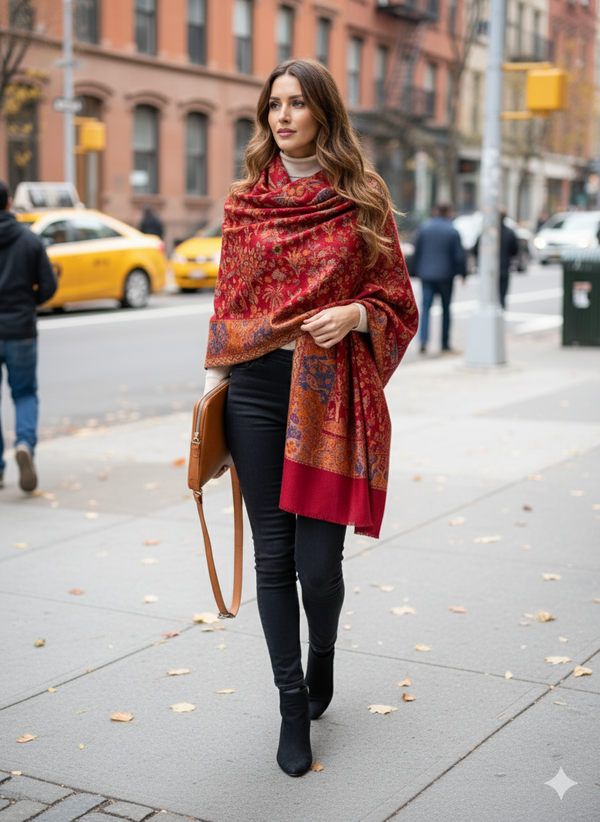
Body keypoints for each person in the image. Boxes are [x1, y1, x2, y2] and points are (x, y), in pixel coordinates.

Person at [202, 59, 418, 777]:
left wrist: (358, 313)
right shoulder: (246, 204)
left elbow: (397, 299)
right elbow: (229, 304)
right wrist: (210, 397)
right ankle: (292, 704)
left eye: (297, 104)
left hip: (326, 394)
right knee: (273, 555)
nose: (283, 116)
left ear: (324, 111)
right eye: (274, 105)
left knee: (319, 568)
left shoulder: (361, 198)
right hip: (257, 392)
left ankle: (322, 652)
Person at [0, 181, 57, 491]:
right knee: (24, 394)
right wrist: (27, 303)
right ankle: (24, 444)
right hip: (20, 329)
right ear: (9, 203)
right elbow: (48, 287)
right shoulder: (30, 240)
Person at [412, 202, 466, 354]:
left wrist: (416, 272)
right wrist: (463, 274)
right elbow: (459, 256)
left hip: (427, 275)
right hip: (445, 276)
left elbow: (417, 252)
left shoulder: (424, 228)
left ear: (435, 211)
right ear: (448, 212)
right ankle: (444, 343)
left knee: (425, 309)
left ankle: (423, 341)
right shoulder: (452, 231)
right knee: (446, 310)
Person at [473, 207, 519, 309]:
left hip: (488, 270)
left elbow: (475, 249)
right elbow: (515, 251)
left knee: (488, 297)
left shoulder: (486, 232)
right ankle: (501, 316)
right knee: (502, 297)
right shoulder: (509, 233)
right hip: (503, 269)